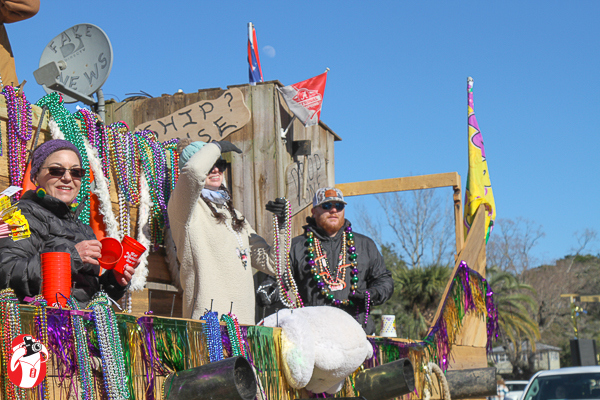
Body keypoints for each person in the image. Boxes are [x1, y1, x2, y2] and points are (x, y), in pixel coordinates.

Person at [0, 139, 134, 303]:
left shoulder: (83, 229)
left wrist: (113, 282)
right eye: (56, 170)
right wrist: (69, 258)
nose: (67, 178)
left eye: (76, 172)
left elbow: (85, 295)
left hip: (80, 319)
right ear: (35, 177)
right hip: (43, 318)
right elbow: (7, 274)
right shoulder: (21, 215)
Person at [167, 140, 277, 325]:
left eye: (220, 164)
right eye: (210, 165)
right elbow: (193, 171)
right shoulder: (184, 209)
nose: (216, 170)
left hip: (243, 324)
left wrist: (282, 225)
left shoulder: (234, 214)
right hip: (208, 322)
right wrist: (216, 147)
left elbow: (272, 265)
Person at [267, 187, 393, 334]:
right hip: (314, 335)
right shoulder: (296, 247)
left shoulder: (365, 245)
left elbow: (384, 280)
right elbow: (278, 281)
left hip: (357, 333)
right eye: (326, 206)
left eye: (339, 206)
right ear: (314, 212)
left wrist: (371, 294)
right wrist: (268, 291)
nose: (333, 210)